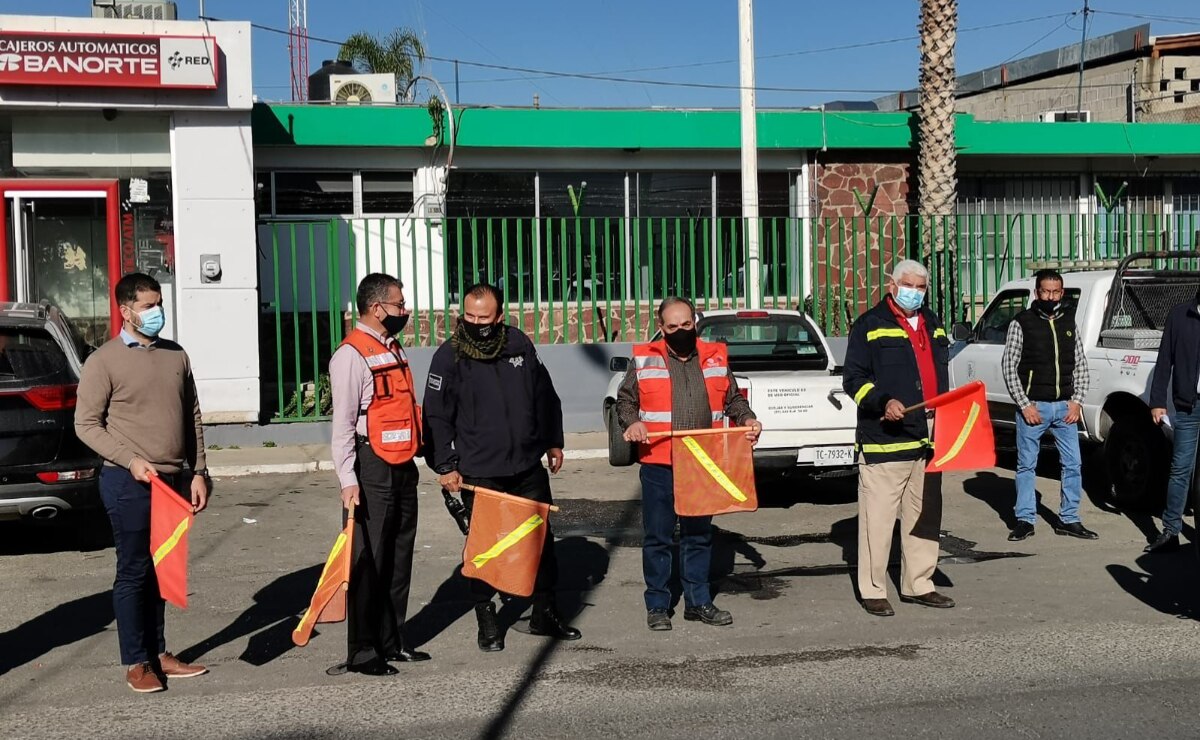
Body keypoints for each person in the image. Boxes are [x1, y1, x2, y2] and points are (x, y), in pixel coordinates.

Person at [423, 283, 580, 652]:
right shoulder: (449, 357)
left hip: (526, 464)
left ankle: (544, 612)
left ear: (499, 316)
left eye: (484, 317)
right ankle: (487, 618)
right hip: (480, 470)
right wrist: (445, 465)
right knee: (485, 549)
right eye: (470, 316)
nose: (476, 323)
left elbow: (544, 393)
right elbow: (436, 415)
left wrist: (553, 440)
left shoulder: (518, 345)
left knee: (540, 543)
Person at [74, 272, 210, 693]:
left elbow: (193, 418)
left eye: (159, 304)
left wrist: (199, 471)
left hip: (173, 481)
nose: (157, 312)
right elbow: (86, 425)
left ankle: (159, 653)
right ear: (125, 310)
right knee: (134, 571)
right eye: (148, 306)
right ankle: (136, 661)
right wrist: (130, 460)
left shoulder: (176, 355)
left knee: (161, 570)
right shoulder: (104, 361)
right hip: (127, 481)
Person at [617, 296, 761, 632]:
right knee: (658, 537)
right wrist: (632, 423)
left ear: (695, 322)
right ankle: (657, 605)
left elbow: (733, 400)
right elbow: (625, 402)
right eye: (672, 327)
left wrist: (749, 419)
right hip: (659, 464)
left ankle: (698, 602)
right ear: (660, 327)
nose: (680, 331)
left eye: (686, 325)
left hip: (702, 463)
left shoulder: (715, 357)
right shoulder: (643, 360)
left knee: (698, 535)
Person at [329, 272, 429, 676]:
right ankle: (364, 651)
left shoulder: (391, 347)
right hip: (370, 466)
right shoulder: (351, 355)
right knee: (367, 560)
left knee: (399, 555)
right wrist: (348, 480)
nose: (404, 311)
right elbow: (343, 425)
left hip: (402, 464)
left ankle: (393, 640)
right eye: (399, 304)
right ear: (376, 308)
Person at [842, 260, 954, 617]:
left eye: (922, 287)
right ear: (892, 285)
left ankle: (919, 583)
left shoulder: (933, 323)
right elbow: (853, 379)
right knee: (878, 518)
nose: (915, 292)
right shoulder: (869, 325)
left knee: (924, 513)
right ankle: (873, 589)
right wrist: (882, 401)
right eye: (909, 285)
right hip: (885, 439)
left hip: (929, 435)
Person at [1001, 269, 1095, 542]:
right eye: (1046, 291)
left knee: (1073, 464)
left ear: (1062, 293)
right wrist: (1024, 404)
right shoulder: (1022, 323)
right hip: (1034, 408)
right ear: (1037, 293)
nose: (1051, 296)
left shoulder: (1068, 321)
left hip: (1065, 408)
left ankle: (1069, 518)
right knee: (1027, 465)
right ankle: (1025, 519)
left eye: (1056, 292)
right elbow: (1009, 366)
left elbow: (1080, 365)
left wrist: (1077, 402)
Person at [1146, 289, 1200, 553]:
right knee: (1180, 469)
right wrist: (1157, 401)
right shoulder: (1181, 315)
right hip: (1189, 406)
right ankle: (1170, 531)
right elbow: (1164, 358)